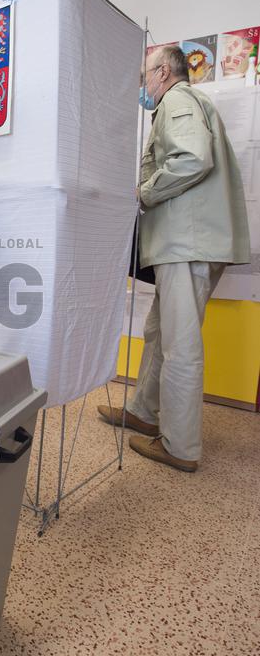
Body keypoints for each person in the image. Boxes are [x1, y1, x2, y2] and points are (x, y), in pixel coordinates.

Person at [99, 45, 250, 472]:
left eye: (144, 75)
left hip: (189, 243)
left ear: (163, 72)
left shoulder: (177, 100)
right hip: (185, 242)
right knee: (159, 333)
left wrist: (144, 192)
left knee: (179, 345)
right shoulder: (189, 102)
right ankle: (144, 413)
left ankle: (181, 447)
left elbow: (191, 158)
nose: (142, 86)